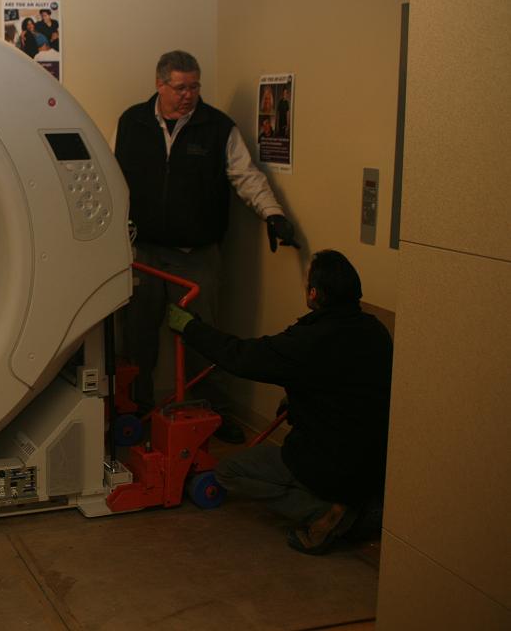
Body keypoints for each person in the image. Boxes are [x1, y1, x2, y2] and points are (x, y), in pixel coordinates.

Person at [114, 50, 297, 443]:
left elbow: (246, 177)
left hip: (194, 258)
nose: (189, 95)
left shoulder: (217, 127)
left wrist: (273, 214)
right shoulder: (131, 123)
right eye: (180, 87)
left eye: (194, 86)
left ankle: (211, 414)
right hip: (142, 254)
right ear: (160, 85)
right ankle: (136, 411)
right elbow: (111, 176)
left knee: (203, 337)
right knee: (138, 336)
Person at [166, 249, 392, 554]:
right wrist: (298, 399)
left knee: (229, 471)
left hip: (330, 462)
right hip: (373, 464)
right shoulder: (375, 331)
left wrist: (191, 328)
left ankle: (329, 514)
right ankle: (356, 503)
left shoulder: (308, 341)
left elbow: (242, 356)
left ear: (314, 293)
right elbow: (346, 386)